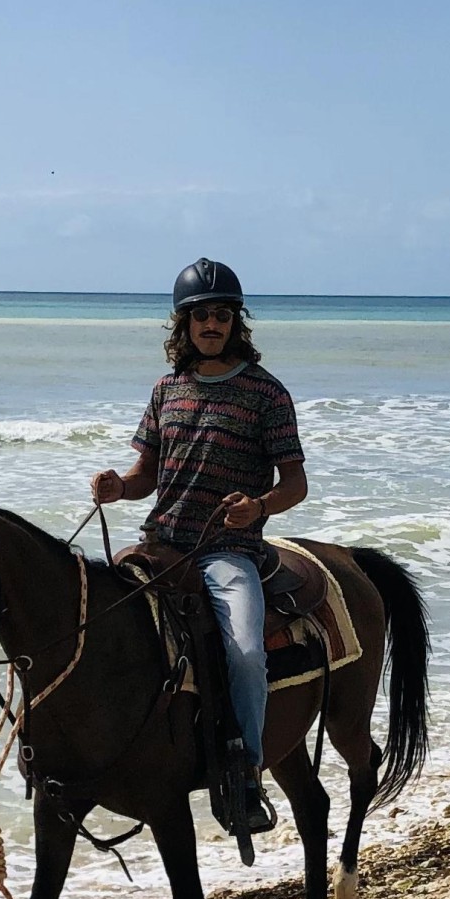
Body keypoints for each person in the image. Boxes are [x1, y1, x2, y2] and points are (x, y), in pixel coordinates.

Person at [91, 259, 308, 835]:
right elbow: (145, 476)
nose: (211, 323)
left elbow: (295, 485)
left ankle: (247, 770)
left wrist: (259, 508)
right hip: (159, 543)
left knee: (244, 651)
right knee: (96, 621)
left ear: (237, 322)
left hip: (226, 551)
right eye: (200, 314)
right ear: (182, 324)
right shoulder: (167, 390)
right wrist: (119, 488)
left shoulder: (266, 393)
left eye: (222, 314)